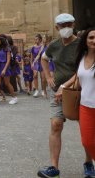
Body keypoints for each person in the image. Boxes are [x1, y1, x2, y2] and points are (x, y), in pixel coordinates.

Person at [37, 13, 94, 178]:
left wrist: (64, 85)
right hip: (59, 94)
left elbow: (82, 70)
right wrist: (48, 77)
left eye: (69, 24)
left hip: (79, 93)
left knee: (86, 131)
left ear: (74, 25)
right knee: (56, 124)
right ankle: (54, 168)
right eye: (62, 26)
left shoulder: (82, 45)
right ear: (57, 28)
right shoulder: (54, 45)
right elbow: (44, 59)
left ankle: (89, 163)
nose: (66, 28)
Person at [55, 27, 95, 166]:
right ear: (85, 40)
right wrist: (63, 87)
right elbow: (77, 76)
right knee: (87, 142)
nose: (94, 40)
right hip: (85, 107)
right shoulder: (82, 57)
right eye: (91, 38)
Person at [0, 35, 18, 106]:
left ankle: (14, 98)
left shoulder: (7, 49)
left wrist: (4, 69)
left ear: (2, 40)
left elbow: (8, 60)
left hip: (5, 66)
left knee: (7, 83)